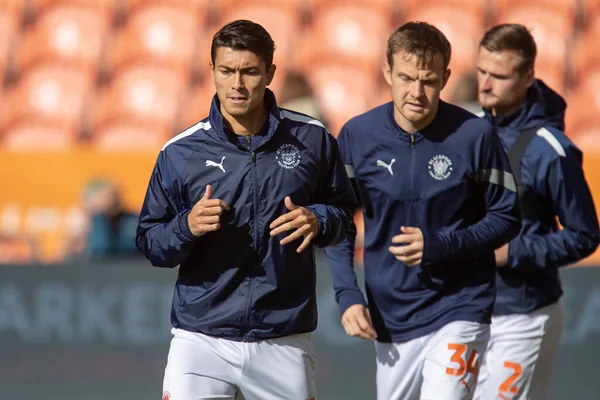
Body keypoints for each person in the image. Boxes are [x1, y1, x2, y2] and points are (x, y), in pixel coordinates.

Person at [135, 20, 357, 400]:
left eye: (249, 72)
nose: (237, 84)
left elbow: (343, 217)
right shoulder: (179, 152)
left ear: (270, 73)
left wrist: (318, 219)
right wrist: (186, 227)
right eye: (227, 71)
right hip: (201, 338)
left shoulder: (313, 139)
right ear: (212, 72)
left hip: (283, 336)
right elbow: (150, 241)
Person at [324, 21, 522, 400]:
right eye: (406, 78)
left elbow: (507, 216)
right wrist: (348, 294)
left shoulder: (475, 135)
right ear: (387, 72)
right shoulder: (357, 135)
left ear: (446, 77)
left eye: (429, 80)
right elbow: (339, 221)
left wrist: (440, 245)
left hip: (461, 305)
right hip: (391, 315)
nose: (417, 92)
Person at [473, 23, 600, 400]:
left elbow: (585, 235)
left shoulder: (550, 150)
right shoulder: (469, 134)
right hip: (467, 312)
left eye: (499, 76)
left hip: (523, 315)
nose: (484, 85)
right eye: (481, 71)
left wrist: (513, 252)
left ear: (528, 77)